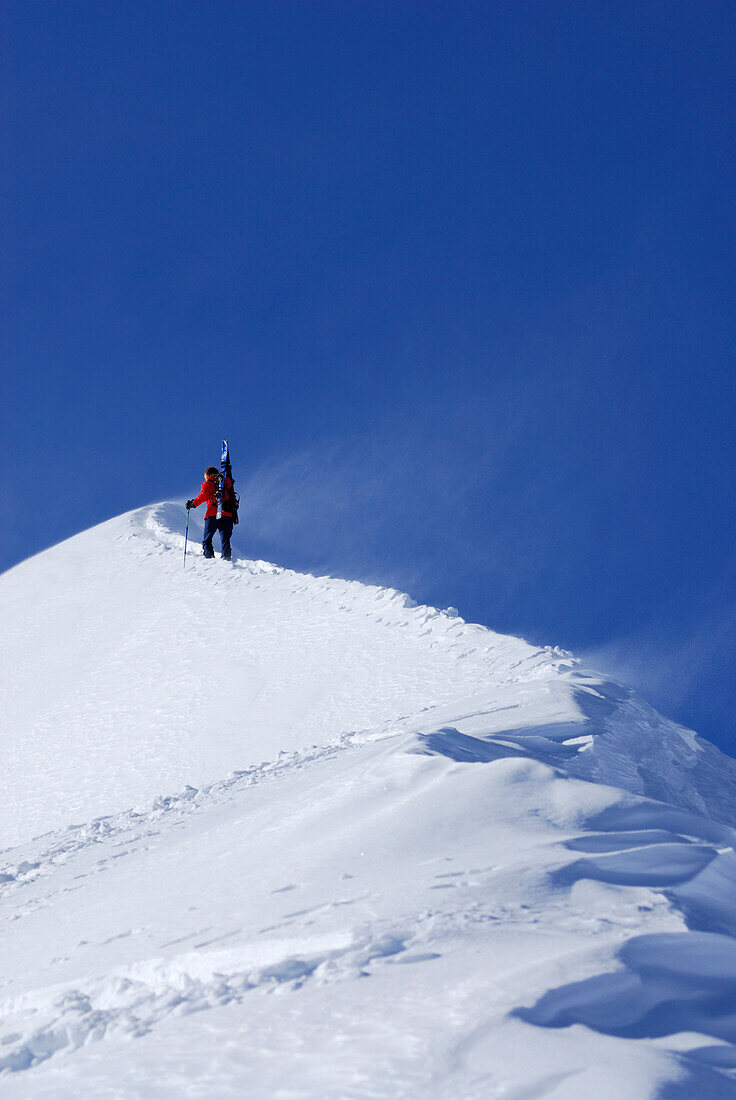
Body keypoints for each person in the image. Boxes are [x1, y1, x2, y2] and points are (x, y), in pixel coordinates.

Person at [186, 466, 235, 561]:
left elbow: (203, 496)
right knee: (225, 539)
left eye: (205, 475)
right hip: (228, 514)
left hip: (212, 514)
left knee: (207, 540)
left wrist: (192, 504)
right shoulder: (226, 482)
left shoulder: (208, 483)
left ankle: (209, 560)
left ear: (209, 475)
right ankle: (226, 558)